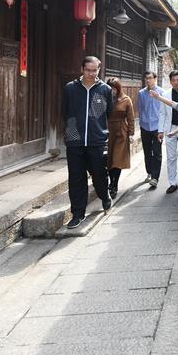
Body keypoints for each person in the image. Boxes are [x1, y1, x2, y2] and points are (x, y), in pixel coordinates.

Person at [61, 56, 113, 229]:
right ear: (82, 69)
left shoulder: (105, 90)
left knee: (99, 173)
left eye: (94, 70)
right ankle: (78, 214)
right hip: (74, 140)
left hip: (96, 140)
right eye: (88, 70)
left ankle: (104, 196)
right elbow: (65, 112)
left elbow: (108, 114)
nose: (91, 73)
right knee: (76, 178)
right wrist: (71, 131)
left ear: (99, 69)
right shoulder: (70, 88)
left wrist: (100, 132)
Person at [105, 77, 135, 199]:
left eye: (115, 88)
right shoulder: (104, 99)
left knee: (117, 160)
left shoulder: (126, 100)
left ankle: (114, 184)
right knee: (109, 159)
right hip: (107, 130)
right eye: (110, 88)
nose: (113, 91)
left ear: (118, 88)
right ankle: (110, 181)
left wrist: (131, 134)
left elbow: (131, 118)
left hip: (121, 131)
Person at [137, 71, 165, 189]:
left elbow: (164, 111)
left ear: (155, 78)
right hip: (145, 126)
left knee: (157, 152)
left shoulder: (162, 92)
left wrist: (163, 128)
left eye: (150, 78)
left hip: (158, 128)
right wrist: (141, 122)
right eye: (146, 78)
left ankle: (155, 178)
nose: (148, 80)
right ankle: (149, 172)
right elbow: (140, 109)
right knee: (147, 151)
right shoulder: (141, 93)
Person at [159, 70, 178, 194]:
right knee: (171, 157)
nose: (176, 82)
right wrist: (160, 130)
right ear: (170, 81)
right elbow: (162, 113)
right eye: (173, 80)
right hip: (170, 129)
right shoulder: (165, 94)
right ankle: (172, 183)